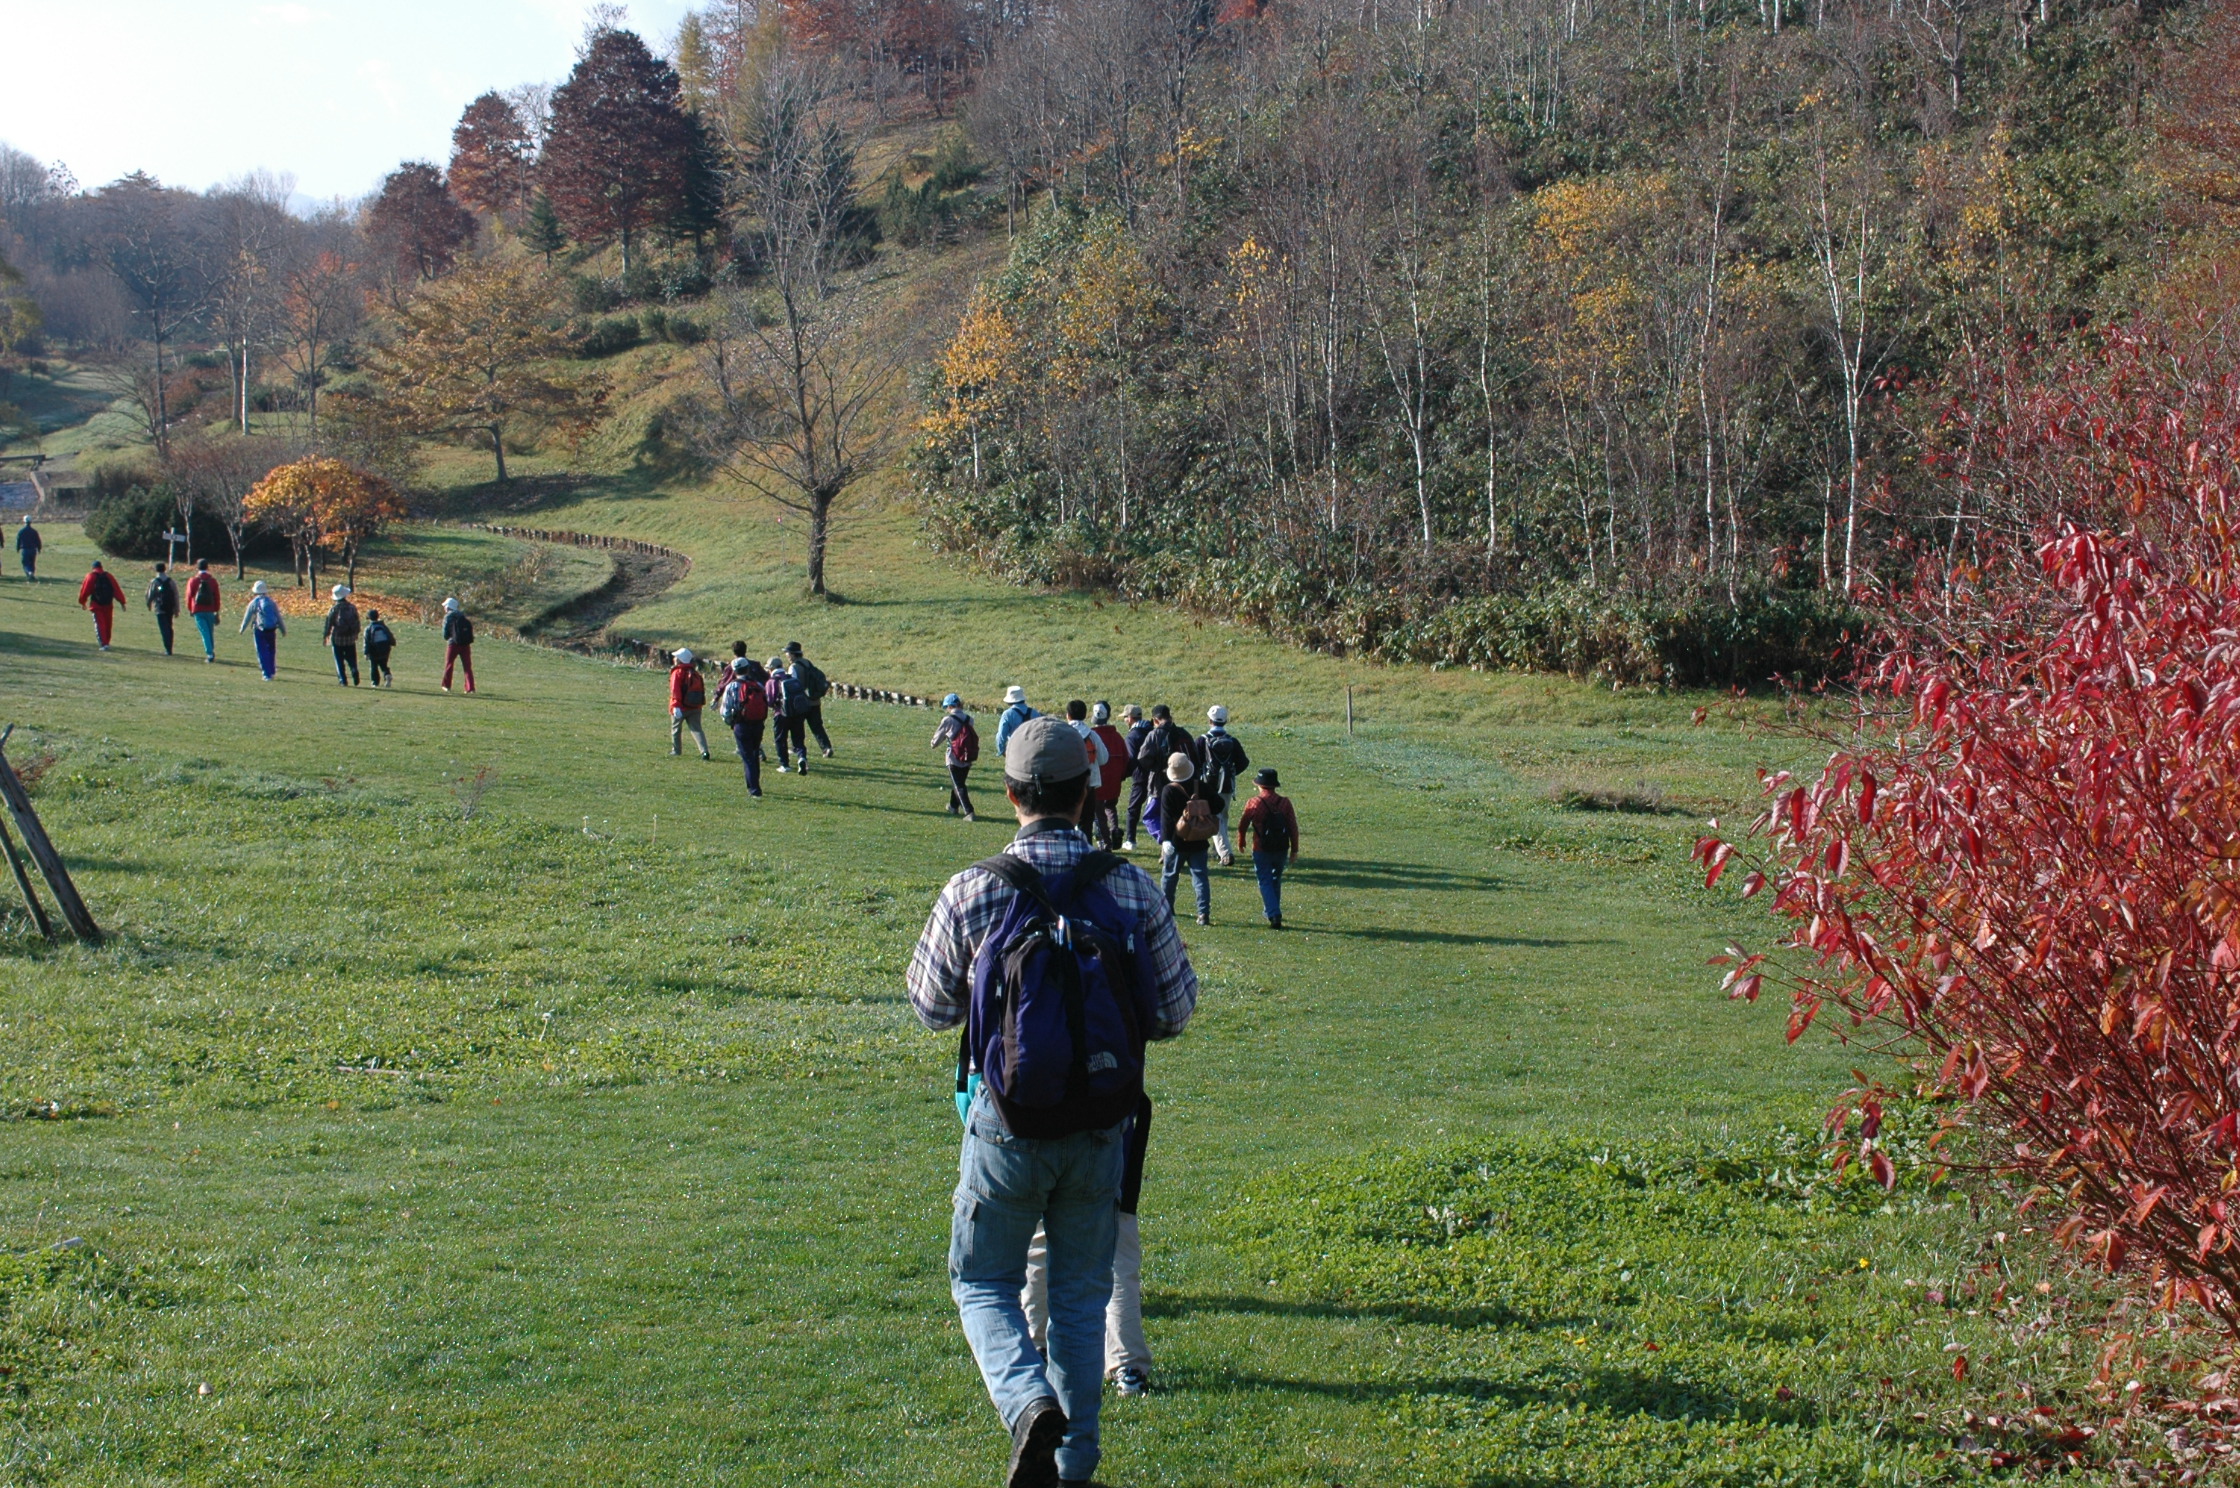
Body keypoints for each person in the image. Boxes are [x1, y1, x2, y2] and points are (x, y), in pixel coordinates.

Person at [905, 717, 1199, 1488]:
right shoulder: (1129, 886)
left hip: (1005, 1122)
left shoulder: (972, 888)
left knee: (982, 1282)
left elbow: (930, 1006)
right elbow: (1173, 1011)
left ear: (1010, 795)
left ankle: (1025, 1399)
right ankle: (1074, 1472)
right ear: (1084, 794)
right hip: (1102, 1126)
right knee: (1077, 1298)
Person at [1237, 768, 1302, 929]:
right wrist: (1294, 849)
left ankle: (1274, 914)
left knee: (1264, 880)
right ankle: (1271, 910)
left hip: (1261, 848)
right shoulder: (1285, 803)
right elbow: (1292, 827)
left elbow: (1243, 824)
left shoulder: (1254, 803)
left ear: (1260, 786)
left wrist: (1241, 840)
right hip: (1281, 848)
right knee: (1275, 879)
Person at [1158, 751, 1217, 926]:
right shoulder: (1201, 786)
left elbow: (1166, 818)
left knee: (1170, 876)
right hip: (1199, 840)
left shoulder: (1169, 790)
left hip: (1177, 841)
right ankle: (1203, 913)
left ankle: (1167, 909)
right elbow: (1219, 804)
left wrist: (1166, 840)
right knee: (1200, 878)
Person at [1194, 705, 1251, 868]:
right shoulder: (1232, 741)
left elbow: (1195, 762)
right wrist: (1230, 774)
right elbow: (1243, 763)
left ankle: (1225, 853)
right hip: (1227, 785)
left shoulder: (1202, 740)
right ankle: (1215, 850)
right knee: (1222, 818)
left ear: (1209, 720)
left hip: (1208, 785)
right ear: (1225, 721)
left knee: (1214, 819)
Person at [1133, 707, 1192, 854]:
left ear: (1155, 720)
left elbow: (1142, 757)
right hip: (1183, 783)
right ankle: (1168, 850)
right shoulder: (1182, 733)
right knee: (1175, 816)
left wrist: (1155, 766)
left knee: (1150, 816)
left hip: (1159, 784)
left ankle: (1167, 841)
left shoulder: (1154, 735)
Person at [717, 655, 768, 797]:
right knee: (754, 753)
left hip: (741, 724)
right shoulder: (758, 685)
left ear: (734, 670)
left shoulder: (732, 686)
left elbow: (726, 710)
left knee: (747, 757)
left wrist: (731, 722)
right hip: (758, 724)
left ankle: (754, 789)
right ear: (747, 669)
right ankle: (752, 783)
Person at [1089, 702, 1132, 851]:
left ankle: (1105, 841)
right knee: (1110, 806)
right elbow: (1126, 758)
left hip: (1098, 779)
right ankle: (1114, 829)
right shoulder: (1117, 736)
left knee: (1098, 811)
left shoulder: (1092, 736)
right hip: (1114, 779)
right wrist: (1121, 776)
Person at [931, 693, 979, 821]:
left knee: (958, 785)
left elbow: (937, 738)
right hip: (967, 756)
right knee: (959, 782)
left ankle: (969, 812)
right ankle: (953, 806)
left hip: (953, 757)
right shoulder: (970, 719)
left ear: (950, 706)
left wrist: (933, 744)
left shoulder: (948, 720)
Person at [784, 641, 834, 757]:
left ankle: (796, 747)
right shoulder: (807, 663)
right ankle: (826, 747)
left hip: (801, 703)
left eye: (787, 653)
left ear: (792, 654)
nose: (786, 655)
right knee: (817, 727)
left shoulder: (794, 667)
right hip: (815, 701)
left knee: (797, 726)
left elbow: (794, 685)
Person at [1063, 701, 1110, 824]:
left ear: (1068, 715)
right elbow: (1104, 758)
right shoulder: (1092, 735)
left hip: (1068, 782)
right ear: (1085, 715)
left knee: (1069, 821)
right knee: (1086, 822)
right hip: (1090, 783)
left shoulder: (1062, 734)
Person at [768, 655, 811, 775]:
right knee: (798, 739)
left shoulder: (772, 681)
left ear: (771, 668)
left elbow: (770, 701)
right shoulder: (792, 678)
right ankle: (802, 757)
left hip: (781, 714)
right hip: (797, 713)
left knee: (780, 740)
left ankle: (784, 764)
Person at [1120, 706, 1153, 851]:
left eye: (1125, 717)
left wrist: (1123, 774)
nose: (1125, 720)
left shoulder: (1132, 736)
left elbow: (1131, 758)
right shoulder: (1151, 730)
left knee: (1133, 809)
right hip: (1157, 774)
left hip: (1140, 776)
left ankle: (1130, 840)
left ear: (1131, 718)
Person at [669, 648, 712, 760]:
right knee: (697, 729)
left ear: (679, 660)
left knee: (676, 729)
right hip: (695, 706)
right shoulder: (695, 673)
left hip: (680, 706)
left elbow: (675, 690)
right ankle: (704, 751)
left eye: (676, 657)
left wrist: (675, 705)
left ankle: (676, 750)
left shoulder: (677, 672)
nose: (674, 659)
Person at [239, 579, 285, 679]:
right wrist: (283, 629)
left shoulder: (254, 602)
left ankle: (266, 673)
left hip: (259, 629)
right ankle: (272, 671)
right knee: (271, 650)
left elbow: (248, 617)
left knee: (262, 651)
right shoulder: (271, 602)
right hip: (272, 629)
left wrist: (242, 629)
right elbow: (278, 616)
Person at [77, 561, 125, 650]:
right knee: (108, 624)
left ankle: (104, 644)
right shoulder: (109, 576)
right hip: (108, 604)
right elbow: (116, 589)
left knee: (100, 625)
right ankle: (107, 642)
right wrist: (122, 602)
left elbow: (85, 591)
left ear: (93, 567)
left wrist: (82, 602)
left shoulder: (91, 576)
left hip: (96, 605)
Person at [321, 585, 361, 686]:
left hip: (337, 638)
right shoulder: (352, 607)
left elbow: (329, 623)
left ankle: (343, 680)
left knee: (339, 660)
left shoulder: (334, 609)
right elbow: (357, 621)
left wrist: (326, 635)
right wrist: (356, 633)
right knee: (351, 657)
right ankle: (354, 669)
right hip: (350, 638)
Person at [185, 560, 222, 662]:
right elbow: (217, 597)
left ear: (197, 568)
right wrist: (216, 610)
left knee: (204, 632)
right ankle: (211, 651)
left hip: (198, 610)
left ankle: (209, 653)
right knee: (210, 632)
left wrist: (190, 608)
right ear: (207, 567)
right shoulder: (213, 581)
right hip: (210, 609)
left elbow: (189, 596)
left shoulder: (193, 580)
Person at [439, 597, 476, 694]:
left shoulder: (448, 616)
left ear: (448, 607)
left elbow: (445, 633)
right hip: (465, 644)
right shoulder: (462, 616)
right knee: (467, 667)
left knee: (449, 664)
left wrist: (448, 638)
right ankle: (470, 688)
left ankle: (446, 685)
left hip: (453, 644)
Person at [145, 562, 180, 656]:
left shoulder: (155, 582)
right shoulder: (171, 581)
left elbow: (150, 594)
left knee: (163, 628)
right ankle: (170, 647)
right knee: (169, 627)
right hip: (170, 608)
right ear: (165, 569)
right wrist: (177, 609)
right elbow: (176, 595)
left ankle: (167, 649)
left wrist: (148, 604)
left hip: (159, 608)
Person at [994, 686, 1037, 758]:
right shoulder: (1034, 712)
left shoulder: (1007, 714)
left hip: (1015, 749)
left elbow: (1001, 735)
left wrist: (1001, 750)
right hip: (1032, 748)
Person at [363, 609, 397, 687]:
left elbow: (367, 642)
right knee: (383, 664)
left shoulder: (368, 628)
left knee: (373, 666)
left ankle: (375, 682)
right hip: (385, 649)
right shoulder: (383, 626)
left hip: (374, 650)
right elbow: (390, 636)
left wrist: (366, 652)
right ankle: (387, 674)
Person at [15, 515, 39, 580]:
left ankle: (29, 573)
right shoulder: (34, 531)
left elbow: (18, 540)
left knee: (25, 563)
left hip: (25, 550)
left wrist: (17, 548)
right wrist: (39, 548)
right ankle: (32, 574)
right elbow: (38, 540)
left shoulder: (21, 531)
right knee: (32, 562)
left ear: (24, 522)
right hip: (33, 550)